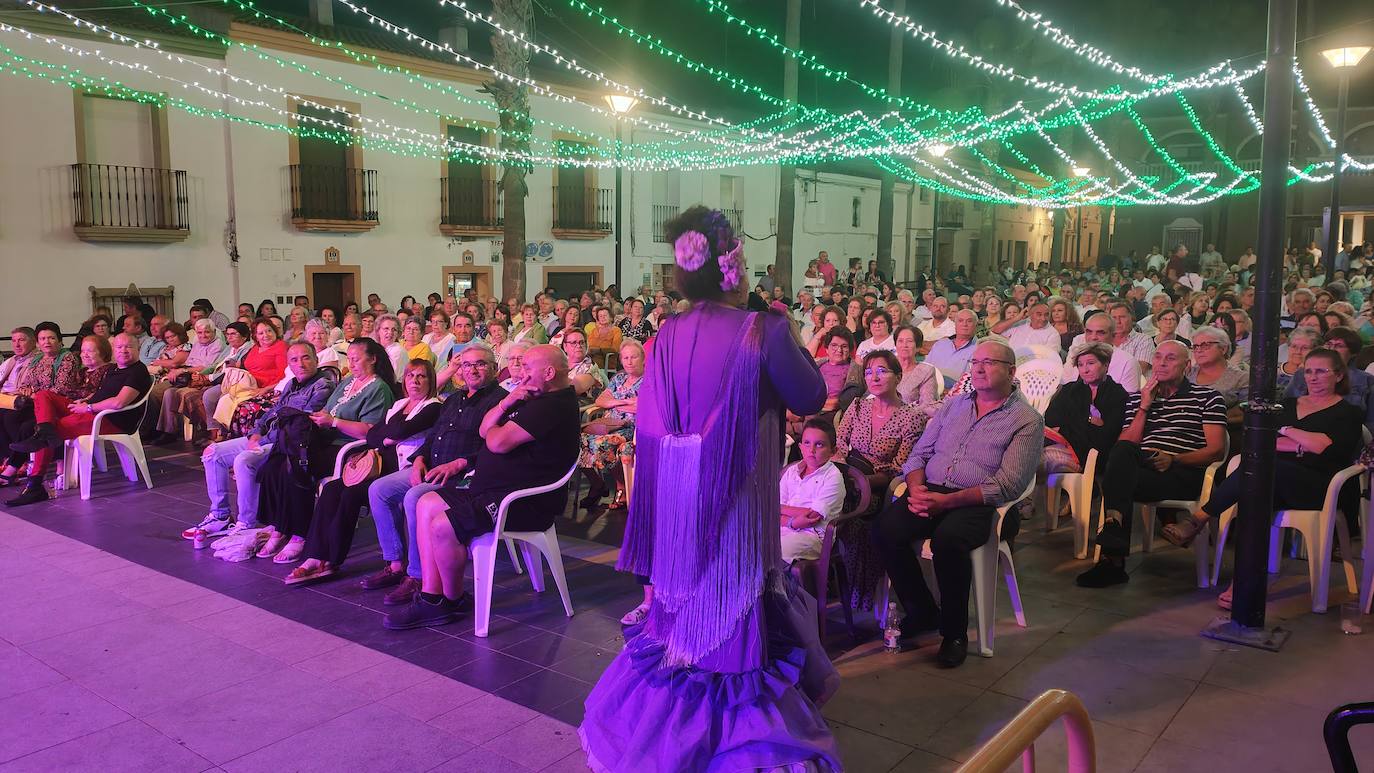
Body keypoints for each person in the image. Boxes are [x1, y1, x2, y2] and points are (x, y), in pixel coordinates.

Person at [581, 207, 839, 771]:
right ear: (734, 269)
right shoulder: (764, 329)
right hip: (739, 497)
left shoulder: (665, 335)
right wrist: (790, 330)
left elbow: (651, 424)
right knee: (732, 613)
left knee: (683, 613)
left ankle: (671, 725)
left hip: (676, 499)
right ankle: (733, 736)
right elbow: (810, 398)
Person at [384, 343, 579, 630]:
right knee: (426, 503)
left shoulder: (553, 406)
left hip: (520, 502)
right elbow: (484, 429)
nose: (521, 373)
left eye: (527, 367)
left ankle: (450, 601)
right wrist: (507, 402)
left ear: (549, 373)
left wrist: (496, 430)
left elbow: (496, 442)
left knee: (442, 526)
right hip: (492, 490)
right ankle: (431, 596)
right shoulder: (532, 395)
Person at [873, 340, 1042, 667]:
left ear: (1011, 372)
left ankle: (954, 634)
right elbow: (919, 454)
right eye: (975, 362)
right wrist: (916, 489)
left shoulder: (1026, 419)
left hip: (977, 500)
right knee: (884, 530)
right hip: (930, 489)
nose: (978, 369)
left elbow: (1008, 484)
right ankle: (922, 610)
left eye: (988, 363)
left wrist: (947, 502)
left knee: (948, 541)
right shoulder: (954, 405)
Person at [1165, 348, 1363, 606]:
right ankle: (1243, 582)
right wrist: (1301, 444)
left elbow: (1323, 447)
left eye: (1321, 371)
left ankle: (1198, 519)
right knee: (1257, 494)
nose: (1313, 377)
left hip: (1320, 487)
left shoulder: (1349, 412)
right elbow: (1263, 441)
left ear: (1338, 375)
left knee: (1263, 471)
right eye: (1308, 371)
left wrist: (1286, 430)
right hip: (1274, 483)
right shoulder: (1289, 404)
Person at [362, 346, 507, 603]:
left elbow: (494, 448)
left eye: (480, 364)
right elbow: (433, 437)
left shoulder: (500, 401)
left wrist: (459, 464)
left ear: (495, 369)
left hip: (463, 475)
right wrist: (419, 458)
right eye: (467, 364)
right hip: (431, 466)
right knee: (379, 490)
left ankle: (417, 575)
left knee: (415, 497)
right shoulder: (453, 399)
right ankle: (395, 564)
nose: (472, 370)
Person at [1077, 341, 1227, 588]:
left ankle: (1112, 559)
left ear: (1187, 366)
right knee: (1122, 453)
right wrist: (1145, 406)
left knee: (1117, 481)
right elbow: (1126, 443)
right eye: (1157, 357)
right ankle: (1114, 536)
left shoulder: (1208, 397)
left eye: (1171, 358)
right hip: (1143, 467)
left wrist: (1174, 458)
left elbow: (1216, 450)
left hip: (1183, 471)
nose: (1161, 363)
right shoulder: (1138, 398)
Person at [285, 359, 441, 585]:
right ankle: (314, 555)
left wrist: (388, 434)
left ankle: (332, 560)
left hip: (401, 469)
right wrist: (387, 437)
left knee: (351, 494)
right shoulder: (400, 404)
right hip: (377, 466)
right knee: (332, 488)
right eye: (410, 376)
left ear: (430, 381)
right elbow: (373, 435)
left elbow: (401, 429)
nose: (415, 381)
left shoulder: (433, 407)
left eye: (421, 376)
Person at [255, 339, 396, 563]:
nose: (351, 364)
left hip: (348, 448)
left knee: (297, 467)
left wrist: (334, 422)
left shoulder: (378, 388)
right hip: (324, 440)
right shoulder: (348, 382)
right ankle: (280, 527)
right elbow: (327, 410)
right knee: (277, 463)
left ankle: (299, 533)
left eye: (356, 359)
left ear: (372, 359)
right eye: (349, 359)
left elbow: (370, 431)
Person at [184, 342, 335, 540]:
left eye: (306, 358)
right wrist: (255, 433)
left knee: (244, 460)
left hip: (288, 444)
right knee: (213, 453)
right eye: (294, 360)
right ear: (289, 365)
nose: (301, 364)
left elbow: (299, 422)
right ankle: (220, 516)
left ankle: (246, 523)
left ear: (316, 359)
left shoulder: (323, 385)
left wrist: (262, 439)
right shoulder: (291, 384)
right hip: (266, 437)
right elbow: (273, 411)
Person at [8, 334, 150, 506]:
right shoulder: (114, 370)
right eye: (119, 347)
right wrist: (85, 402)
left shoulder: (138, 371)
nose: (123, 350)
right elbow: (102, 394)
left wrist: (89, 407)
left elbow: (119, 402)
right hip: (91, 410)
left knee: (48, 433)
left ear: (138, 349)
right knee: (43, 396)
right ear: (114, 349)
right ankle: (44, 430)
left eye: (129, 346)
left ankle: (34, 485)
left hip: (110, 420)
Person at [577, 340, 645, 511]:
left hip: (632, 427)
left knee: (603, 443)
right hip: (608, 424)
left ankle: (621, 485)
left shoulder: (650, 380)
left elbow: (645, 406)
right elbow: (601, 400)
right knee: (576, 440)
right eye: (625, 358)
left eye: (634, 357)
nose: (629, 361)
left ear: (643, 358)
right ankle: (597, 483)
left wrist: (614, 402)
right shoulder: (619, 378)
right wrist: (625, 402)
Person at [1044, 343, 1128, 475]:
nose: (1085, 370)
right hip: (1063, 447)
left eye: (1090, 363)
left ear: (1105, 365)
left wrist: (1068, 426)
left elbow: (1107, 435)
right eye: (1080, 365)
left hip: (1095, 457)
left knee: (1039, 460)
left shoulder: (1118, 394)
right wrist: (1088, 419)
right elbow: (1051, 423)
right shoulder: (1069, 390)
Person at [147, 318, 228, 444]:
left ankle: (202, 430)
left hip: (202, 378)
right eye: (199, 332)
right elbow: (190, 362)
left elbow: (206, 367)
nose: (203, 335)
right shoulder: (197, 343)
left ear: (213, 332)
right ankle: (168, 431)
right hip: (188, 375)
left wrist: (182, 370)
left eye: (207, 332)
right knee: (169, 393)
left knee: (178, 394)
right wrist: (181, 371)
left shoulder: (217, 344)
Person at [780, 419, 847, 564]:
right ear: (800, 447)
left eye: (819, 444)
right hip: (784, 527)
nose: (811, 450)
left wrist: (781, 509)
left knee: (774, 550)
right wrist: (792, 522)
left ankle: (779, 578)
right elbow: (773, 512)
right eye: (807, 443)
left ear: (833, 451)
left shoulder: (833, 477)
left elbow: (813, 516)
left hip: (812, 537)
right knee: (749, 541)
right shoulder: (792, 471)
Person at [1061, 312, 1142, 393]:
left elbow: (1129, 399)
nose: (1093, 337)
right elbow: (1063, 386)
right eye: (1089, 332)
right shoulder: (1077, 357)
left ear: (1113, 336)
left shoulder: (1127, 362)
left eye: (1100, 333)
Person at [924, 308, 979, 382]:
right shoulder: (940, 344)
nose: (964, 324)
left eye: (969, 321)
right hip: (932, 386)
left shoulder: (979, 349)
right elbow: (925, 369)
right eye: (960, 321)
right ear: (955, 324)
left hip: (960, 388)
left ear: (976, 325)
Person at [893, 326, 939, 410]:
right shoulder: (886, 367)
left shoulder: (926, 371)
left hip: (911, 415)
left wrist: (903, 413)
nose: (904, 345)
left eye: (909, 341)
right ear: (895, 345)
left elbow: (927, 404)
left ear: (918, 347)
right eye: (900, 341)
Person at [560, 328, 607, 400]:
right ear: (565, 346)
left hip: (582, 404)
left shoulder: (590, 367)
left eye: (582, 342)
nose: (579, 346)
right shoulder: (561, 362)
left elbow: (572, 389)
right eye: (574, 343)